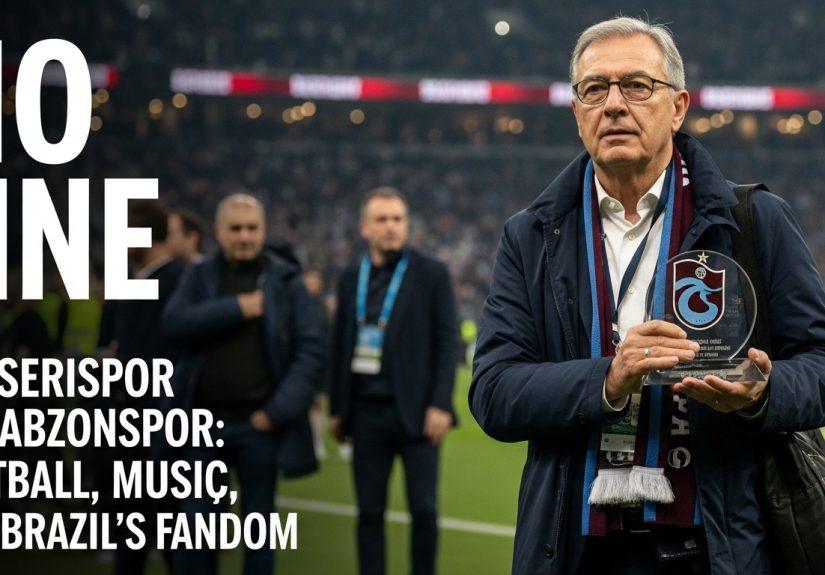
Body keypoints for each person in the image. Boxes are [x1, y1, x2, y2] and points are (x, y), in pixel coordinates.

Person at [470, 16, 825, 575]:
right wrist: (606, 379)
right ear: (577, 112)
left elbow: (820, 365)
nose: (614, 103)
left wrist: (763, 393)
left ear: (678, 106)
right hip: (577, 549)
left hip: (714, 548)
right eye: (594, 89)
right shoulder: (532, 236)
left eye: (637, 85)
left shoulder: (754, 222)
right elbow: (492, 393)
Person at [163, 193, 326, 575]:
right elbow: (173, 325)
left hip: (259, 428)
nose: (244, 236)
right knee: (196, 537)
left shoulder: (284, 281)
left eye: (252, 228)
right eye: (235, 229)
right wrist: (236, 308)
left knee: (259, 539)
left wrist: (275, 413)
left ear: (263, 231)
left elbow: (311, 350)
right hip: (201, 428)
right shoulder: (199, 276)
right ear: (218, 232)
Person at [329, 187, 458, 575]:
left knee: (424, 509)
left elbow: (447, 341)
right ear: (364, 227)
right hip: (366, 413)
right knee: (369, 512)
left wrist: (440, 404)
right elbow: (340, 342)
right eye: (382, 220)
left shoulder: (431, 273)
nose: (391, 227)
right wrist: (338, 408)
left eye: (398, 219)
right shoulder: (352, 276)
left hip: (418, 412)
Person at [97, 199, 187, 575]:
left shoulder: (177, 279)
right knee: (132, 525)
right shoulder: (138, 279)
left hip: (157, 419)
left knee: (165, 527)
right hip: (129, 417)